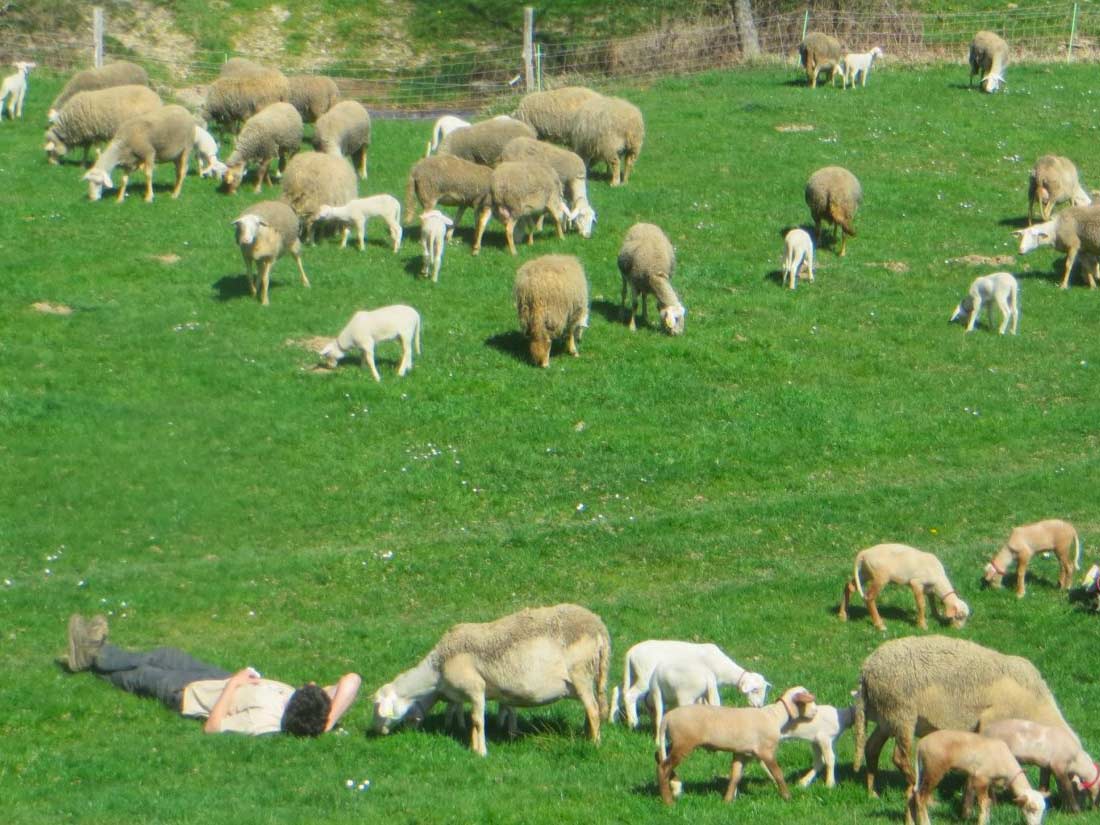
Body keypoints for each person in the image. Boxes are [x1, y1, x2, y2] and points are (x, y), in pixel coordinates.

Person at [65, 614, 361, 736]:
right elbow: (352, 680)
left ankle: (91, 656)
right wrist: (326, 724)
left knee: (142, 675)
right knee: (165, 654)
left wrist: (234, 685)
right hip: (214, 677)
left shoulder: (263, 722)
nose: (310, 684)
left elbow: (213, 728)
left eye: (309, 688)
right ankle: (94, 652)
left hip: (190, 694)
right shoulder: (306, 709)